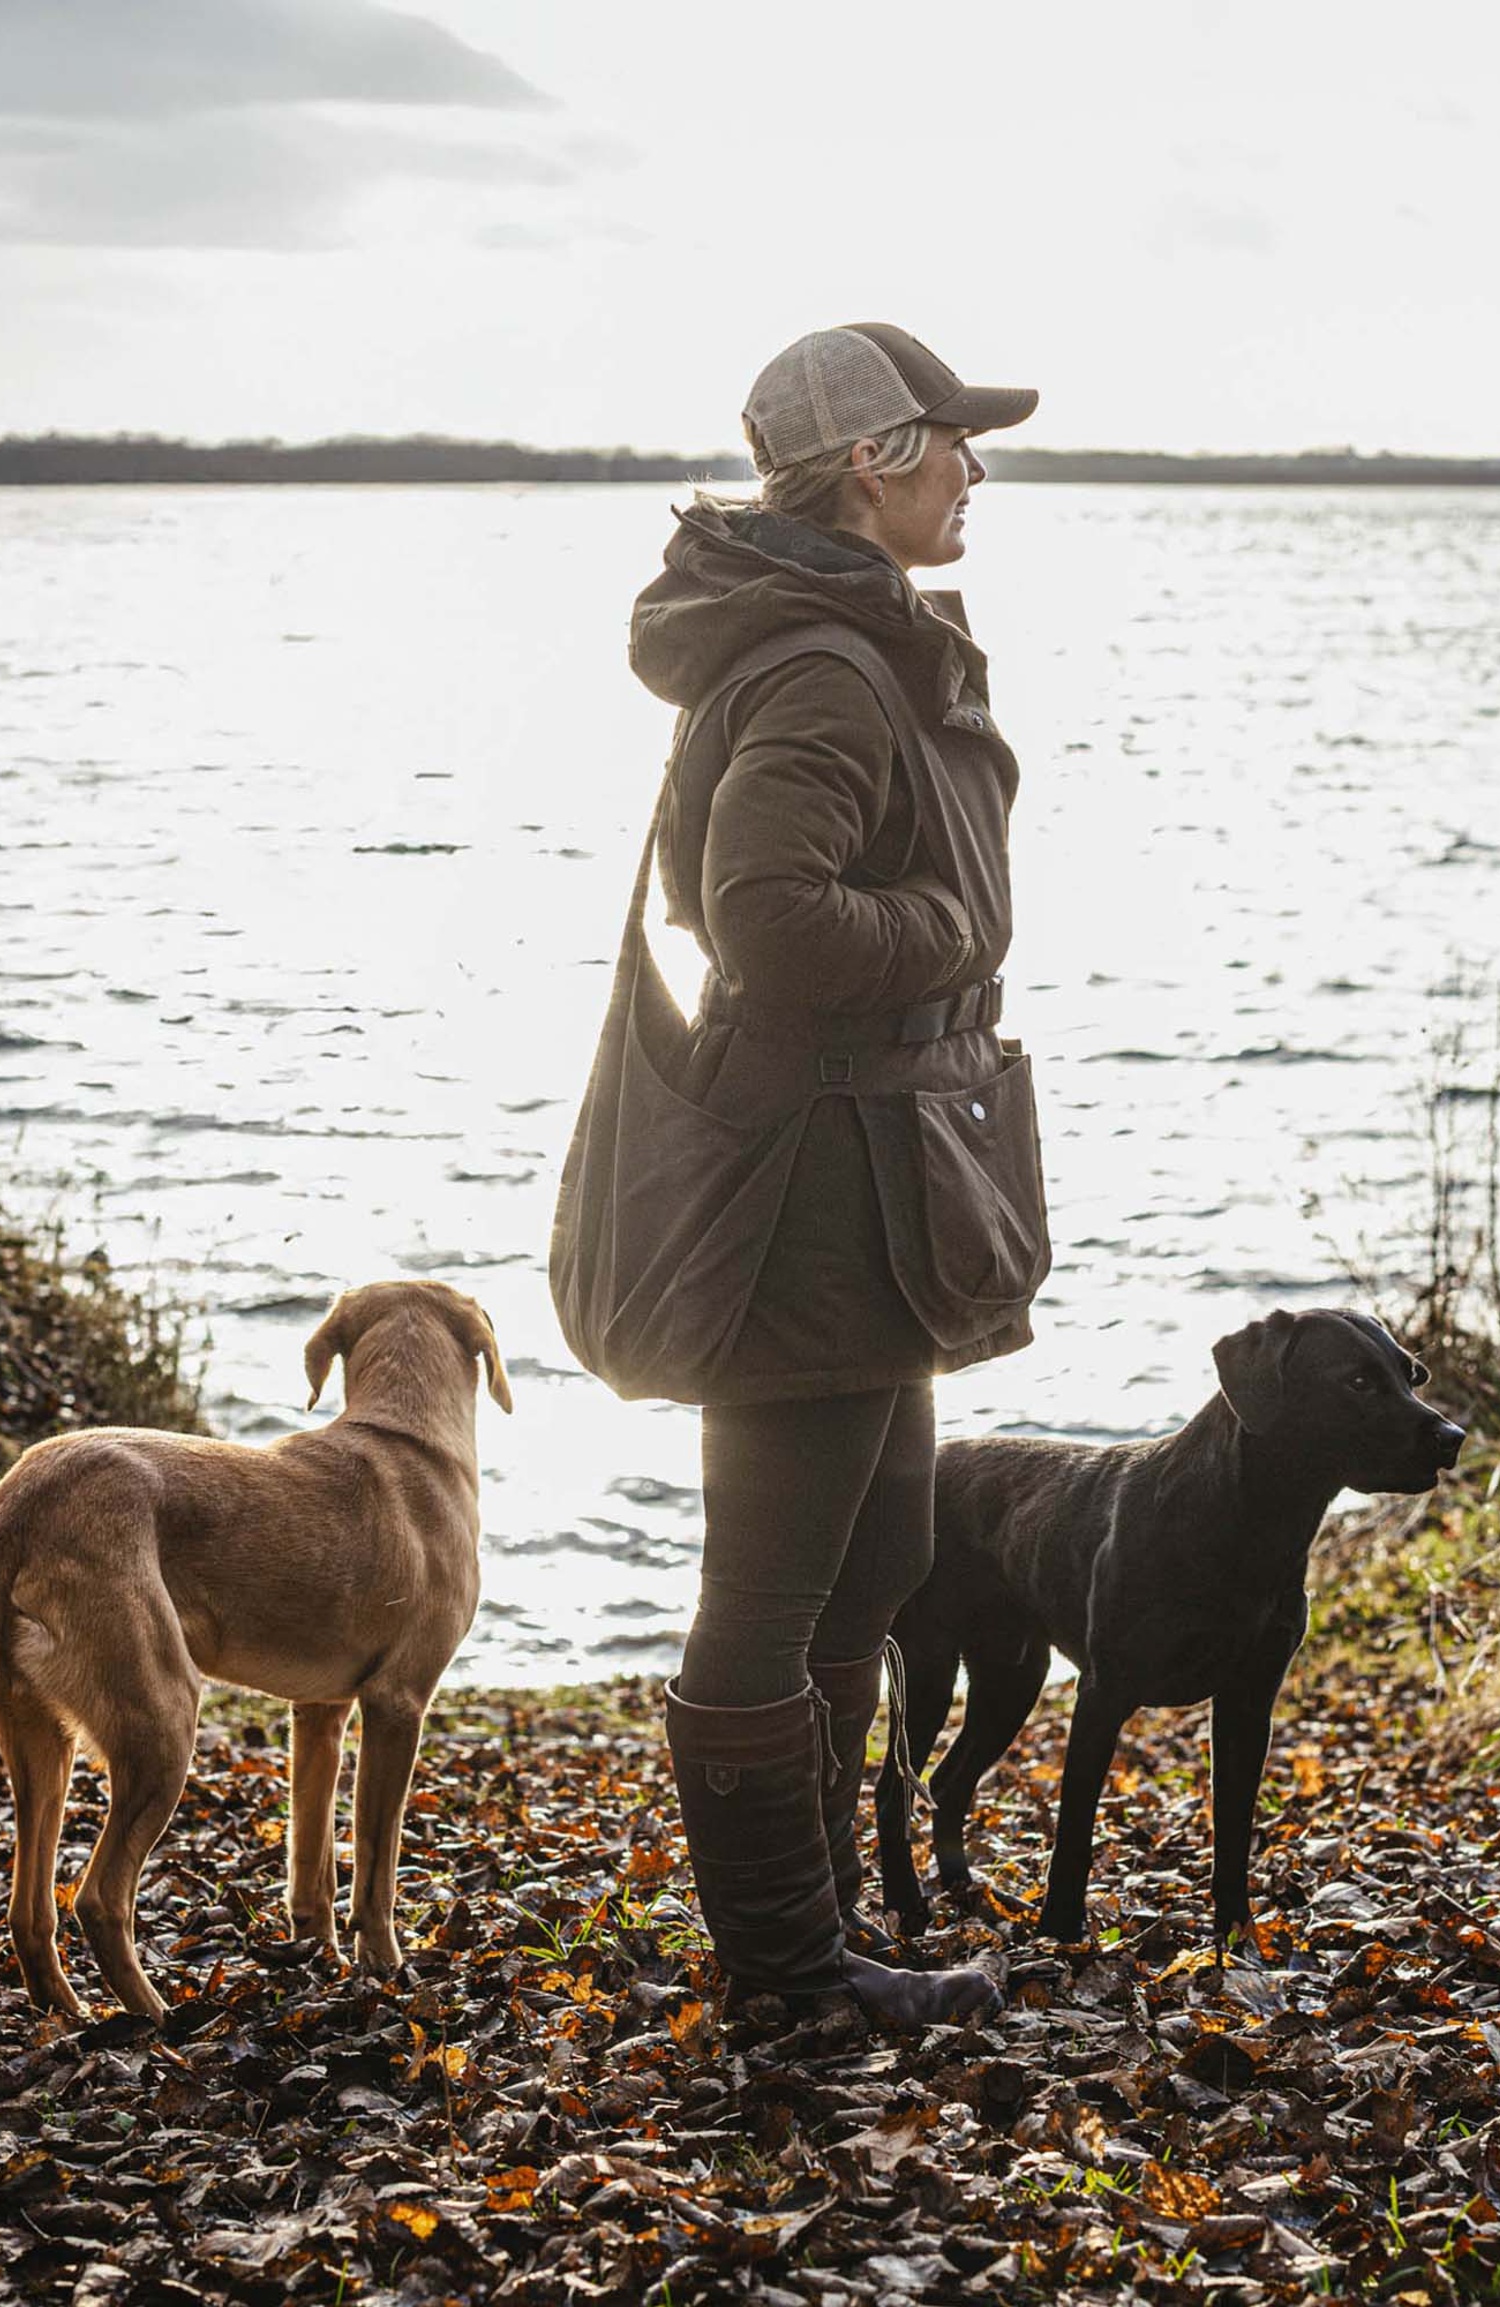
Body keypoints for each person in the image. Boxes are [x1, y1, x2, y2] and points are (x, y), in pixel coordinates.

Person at [620, 324, 1046, 2025]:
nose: (973, 468)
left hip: (879, 1171)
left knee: (870, 1572)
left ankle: (816, 1940)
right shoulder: (817, 660)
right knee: (774, 1586)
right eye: (951, 440)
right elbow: (761, 917)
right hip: (806, 1179)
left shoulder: (859, 639)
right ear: (872, 459)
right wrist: (944, 934)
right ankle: (789, 1976)